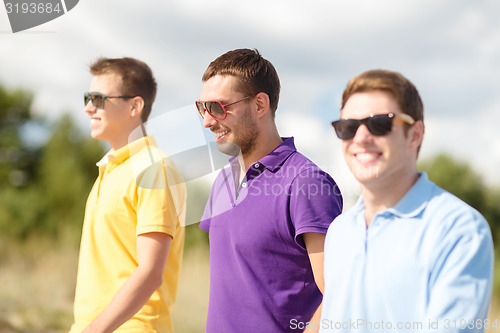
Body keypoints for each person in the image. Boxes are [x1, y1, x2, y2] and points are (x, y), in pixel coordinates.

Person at [320, 69, 494, 333]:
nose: (361, 138)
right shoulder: (339, 231)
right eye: (348, 127)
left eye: (380, 123)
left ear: (415, 135)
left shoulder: (459, 229)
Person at [196, 48, 343, 333]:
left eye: (217, 107)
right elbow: (224, 287)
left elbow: (338, 295)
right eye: (202, 108)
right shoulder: (223, 180)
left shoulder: (306, 183)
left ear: (260, 105)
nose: (207, 121)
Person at [69, 57, 186, 333]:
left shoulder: (154, 169)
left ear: (135, 105)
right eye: (88, 98)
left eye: (98, 99)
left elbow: (149, 273)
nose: (88, 108)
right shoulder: (110, 168)